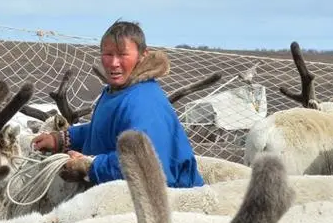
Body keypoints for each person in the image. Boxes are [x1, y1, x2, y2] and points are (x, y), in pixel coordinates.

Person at [32, 20, 204, 188]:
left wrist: (89, 167)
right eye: (108, 54)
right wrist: (62, 139)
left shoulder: (143, 102)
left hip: (167, 202)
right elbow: (104, 131)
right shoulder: (118, 91)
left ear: (142, 55)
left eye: (122, 54)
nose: (114, 63)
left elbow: (142, 164)